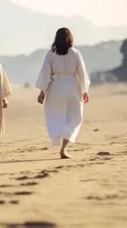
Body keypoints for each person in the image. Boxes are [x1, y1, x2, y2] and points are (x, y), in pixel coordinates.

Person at [36, 28, 90, 159]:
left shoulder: (51, 53)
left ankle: (57, 136)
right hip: (72, 86)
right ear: (70, 38)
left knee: (55, 115)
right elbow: (82, 72)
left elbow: (45, 73)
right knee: (74, 116)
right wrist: (84, 90)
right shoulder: (75, 53)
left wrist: (42, 91)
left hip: (55, 88)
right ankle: (64, 149)